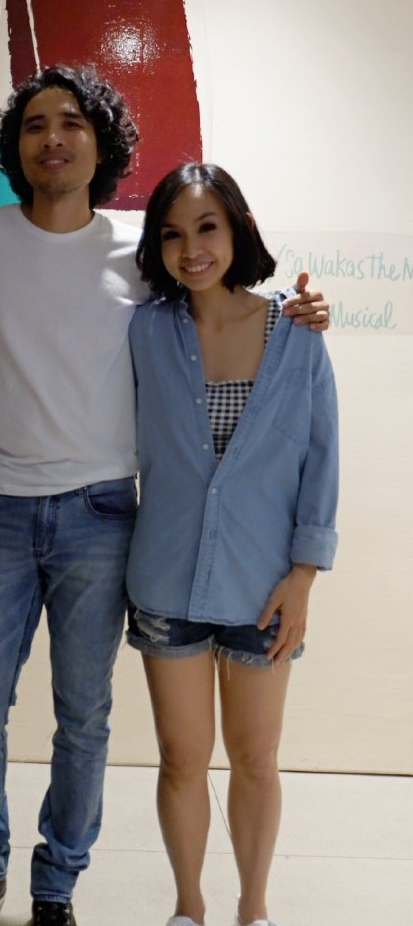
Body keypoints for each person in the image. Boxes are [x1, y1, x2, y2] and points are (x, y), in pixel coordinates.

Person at [0, 66, 329, 926]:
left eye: (71, 122)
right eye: (35, 124)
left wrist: (296, 312)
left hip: (102, 516)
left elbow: (218, 293)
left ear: (98, 141)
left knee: (83, 718)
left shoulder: (140, 250)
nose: (53, 138)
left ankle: (56, 885)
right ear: (16, 146)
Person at [126, 163, 339, 926]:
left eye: (206, 228)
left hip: (263, 585)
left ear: (237, 229)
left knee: (254, 759)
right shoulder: (144, 330)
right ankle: (188, 908)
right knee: (182, 759)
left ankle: (253, 909)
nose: (191, 249)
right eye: (171, 234)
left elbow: (321, 459)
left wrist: (303, 578)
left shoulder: (296, 334)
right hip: (165, 580)